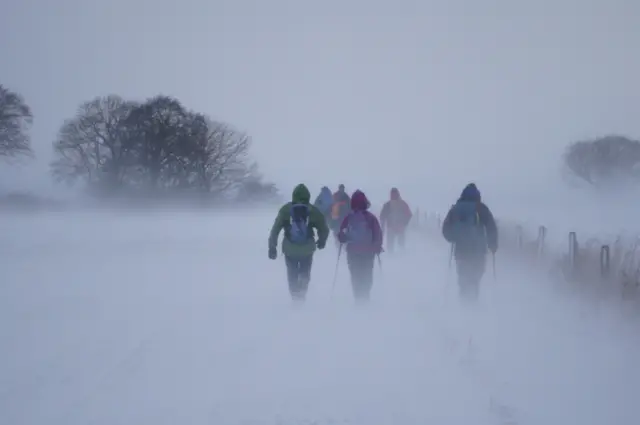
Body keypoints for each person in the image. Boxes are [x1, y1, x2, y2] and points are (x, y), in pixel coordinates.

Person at [268, 184, 330, 301]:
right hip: (307, 249)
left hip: (290, 249)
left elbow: (275, 230)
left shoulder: (286, 210)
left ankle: (295, 296)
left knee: (292, 274)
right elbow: (324, 228)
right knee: (305, 272)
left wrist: (272, 247)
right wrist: (322, 241)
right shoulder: (312, 211)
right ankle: (302, 293)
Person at [441, 183, 498, 301]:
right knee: (475, 278)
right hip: (478, 251)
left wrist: (454, 237)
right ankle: (473, 302)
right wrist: (493, 245)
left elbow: (445, 229)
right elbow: (491, 226)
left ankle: (464, 303)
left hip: (461, 251)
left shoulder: (455, 209)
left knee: (463, 277)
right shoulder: (481, 208)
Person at [337, 190, 383, 301]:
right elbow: (377, 233)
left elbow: (341, 233)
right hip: (368, 252)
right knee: (367, 274)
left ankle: (358, 296)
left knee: (355, 274)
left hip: (353, 252)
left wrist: (342, 238)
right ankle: (365, 295)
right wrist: (377, 245)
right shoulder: (371, 218)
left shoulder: (349, 217)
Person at [380, 187, 413, 253]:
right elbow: (409, 215)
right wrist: (404, 224)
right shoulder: (402, 204)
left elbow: (382, 216)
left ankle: (393, 255)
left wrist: (383, 226)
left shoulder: (388, 204)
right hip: (398, 227)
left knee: (392, 244)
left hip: (394, 227)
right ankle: (399, 256)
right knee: (399, 244)